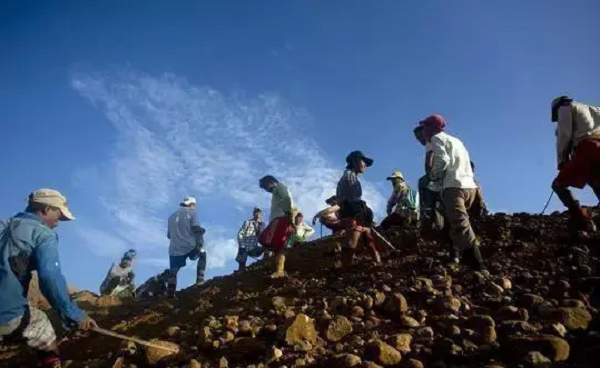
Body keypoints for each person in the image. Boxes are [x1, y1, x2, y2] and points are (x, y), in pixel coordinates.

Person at [0, 189, 98, 368]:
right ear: (46, 209)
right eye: (58, 216)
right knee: (43, 329)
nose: (58, 223)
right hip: (5, 309)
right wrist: (73, 314)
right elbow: (49, 278)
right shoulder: (43, 234)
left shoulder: (4, 224)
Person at [420, 115, 487, 272]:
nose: (423, 131)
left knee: (460, 226)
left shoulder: (436, 138)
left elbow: (442, 161)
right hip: (471, 188)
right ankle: (460, 258)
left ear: (432, 128)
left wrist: (433, 175)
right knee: (456, 224)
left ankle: (478, 265)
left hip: (454, 188)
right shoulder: (457, 141)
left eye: (425, 127)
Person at [550, 96, 600, 234]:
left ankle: (583, 220)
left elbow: (564, 135)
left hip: (586, 148)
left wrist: (561, 160)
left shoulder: (566, 107)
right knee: (596, 183)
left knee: (558, 185)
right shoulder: (596, 110)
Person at [336, 150, 380, 266]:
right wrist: (359, 213)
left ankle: (378, 263)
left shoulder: (350, 176)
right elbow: (352, 199)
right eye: (363, 161)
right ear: (355, 161)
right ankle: (345, 270)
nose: (365, 165)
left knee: (368, 235)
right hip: (351, 213)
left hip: (353, 211)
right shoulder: (350, 176)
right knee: (352, 239)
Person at [167, 196, 206, 297]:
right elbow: (195, 229)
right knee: (203, 254)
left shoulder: (171, 217)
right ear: (191, 204)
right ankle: (200, 280)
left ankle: (170, 293)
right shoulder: (192, 213)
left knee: (173, 271)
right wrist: (200, 244)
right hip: (189, 246)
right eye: (194, 205)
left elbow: (169, 235)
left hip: (174, 249)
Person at [258, 175, 296, 278]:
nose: (266, 190)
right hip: (281, 219)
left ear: (270, 182)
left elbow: (287, 198)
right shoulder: (276, 191)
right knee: (279, 247)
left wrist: (287, 212)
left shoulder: (279, 186)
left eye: (266, 187)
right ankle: (280, 271)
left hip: (281, 219)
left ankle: (274, 268)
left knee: (264, 239)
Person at [413, 126, 445, 231]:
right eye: (418, 138)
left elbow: (439, 163)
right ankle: (430, 218)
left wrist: (432, 176)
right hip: (436, 178)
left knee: (423, 183)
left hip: (444, 177)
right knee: (424, 183)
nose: (420, 140)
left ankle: (428, 219)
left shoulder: (436, 144)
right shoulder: (430, 147)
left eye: (421, 136)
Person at [235, 207, 266, 272]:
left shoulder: (261, 225)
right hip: (245, 246)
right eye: (256, 212)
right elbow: (240, 234)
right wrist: (242, 245)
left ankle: (266, 263)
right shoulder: (247, 222)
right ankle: (241, 270)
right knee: (242, 258)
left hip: (254, 247)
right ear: (253, 213)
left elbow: (262, 237)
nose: (257, 214)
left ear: (261, 214)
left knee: (267, 248)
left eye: (259, 212)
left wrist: (261, 227)